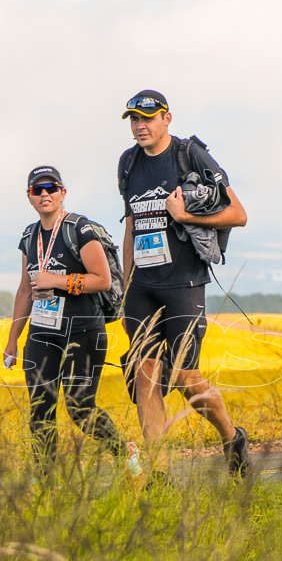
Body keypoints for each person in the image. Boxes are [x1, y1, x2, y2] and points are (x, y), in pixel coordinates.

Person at [117, 90, 252, 481]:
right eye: (133, 119)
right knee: (145, 373)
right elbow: (131, 226)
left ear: (167, 119)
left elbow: (239, 215)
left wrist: (183, 214)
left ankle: (231, 438)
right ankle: (159, 473)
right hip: (141, 287)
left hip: (183, 283)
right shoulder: (127, 162)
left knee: (184, 375)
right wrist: (126, 286)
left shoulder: (188, 154)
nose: (140, 126)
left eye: (147, 118)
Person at [4, 165, 141, 482]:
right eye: (37, 190)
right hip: (42, 332)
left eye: (51, 188)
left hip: (83, 329)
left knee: (80, 407)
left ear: (63, 193)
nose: (45, 194)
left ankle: (125, 453)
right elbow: (26, 289)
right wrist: (13, 340)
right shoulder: (29, 237)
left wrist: (59, 280)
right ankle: (46, 483)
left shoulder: (79, 229)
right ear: (30, 197)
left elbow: (103, 280)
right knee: (40, 408)